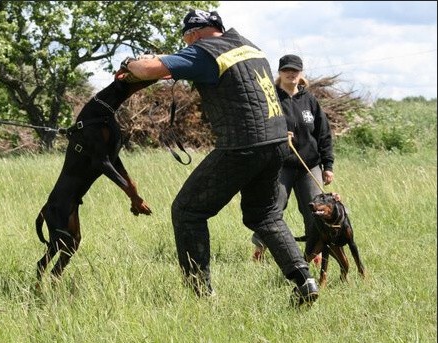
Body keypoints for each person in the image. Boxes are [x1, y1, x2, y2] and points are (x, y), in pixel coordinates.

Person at [118, 9, 318, 306]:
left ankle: (201, 296)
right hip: (277, 142)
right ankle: (305, 280)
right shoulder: (248, 47)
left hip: (243, 145)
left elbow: (148, 70)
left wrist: (130, 62)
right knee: (264, 214)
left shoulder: (204, 53)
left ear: (194, 34)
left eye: (186, 39)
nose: (187, 45)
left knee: (187, 211)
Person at [251, 54, 334, 266]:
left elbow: (323, 134)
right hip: (280, 165)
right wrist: (280, 135)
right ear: (279, 73)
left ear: (300, 73)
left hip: (310, 165)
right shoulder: (271, 99)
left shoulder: (310, 101)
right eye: (287, 70)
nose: (291, 73)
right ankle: (260, 248)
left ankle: (313, 252)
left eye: (295, 70)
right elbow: (259, 128)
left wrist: (328, 165)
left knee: (315, 211)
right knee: (273, 208)